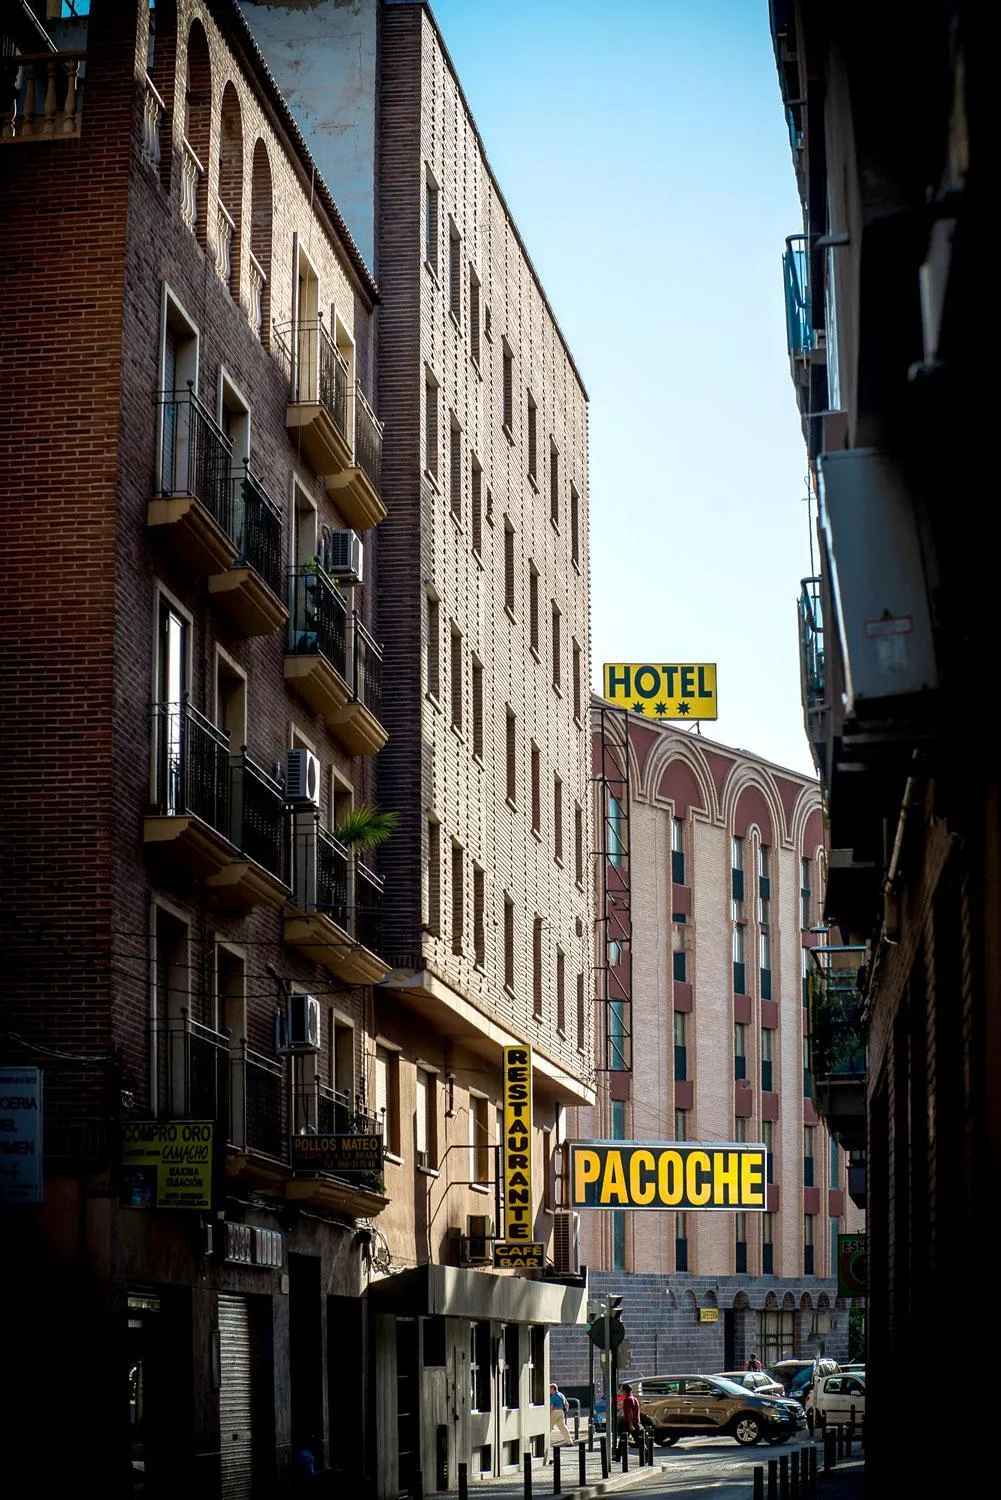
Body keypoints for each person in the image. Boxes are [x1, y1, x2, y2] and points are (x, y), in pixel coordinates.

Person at [548, 1384, 572, 1456]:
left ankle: (544, 1443)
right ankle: (569, 1441)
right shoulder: (561, 1395)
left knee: (548, 1427)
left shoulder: (553, 1397)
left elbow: (551, 1406)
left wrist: (548, 1414)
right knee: (563, 1427)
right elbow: (566, 1404)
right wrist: (566, 1411)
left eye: (549, 1389)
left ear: (553, 1389)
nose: (549, 1391)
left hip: (554, 1412)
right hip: (561, 1412)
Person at [618, 1383, 641, 1455]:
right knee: (623, 1439)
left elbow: (629, 1412)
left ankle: (647, 1455)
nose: (621, 1392)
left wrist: (630, 1424)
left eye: (621, 1390)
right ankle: (618, 1455)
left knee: (637, 1441)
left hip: (629, 1423)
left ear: (624, 1391)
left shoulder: (627, 1400)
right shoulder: (633, 1398)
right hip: (634, 1422)